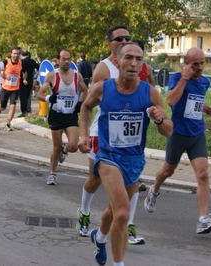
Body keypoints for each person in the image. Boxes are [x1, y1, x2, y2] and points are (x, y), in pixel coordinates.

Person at [79, 42, 172, 266]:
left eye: (139, 59)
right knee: (122, 213)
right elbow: (85, 107)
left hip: (134, 160)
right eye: (128, 58)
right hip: (108, 156)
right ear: (117, 61)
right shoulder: (103, 88)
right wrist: (83, 135)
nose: (134, 63)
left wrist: (159, 119)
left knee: (113, 210)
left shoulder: (149, 92)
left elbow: (168, 130)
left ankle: (100, 237)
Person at [76, 24, 145, 246]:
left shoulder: (137, 65)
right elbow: (89, 104)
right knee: (95, 180)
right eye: (120, 39)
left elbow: (149, 94)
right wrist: (84, 134)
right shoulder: (103, 69)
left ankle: (127, 223)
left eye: (128, 38)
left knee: (130, 182)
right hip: (102, 134)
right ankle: (85, 211)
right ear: (110, 44)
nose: (125, 41)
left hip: (130, 140)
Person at [144, 47, 211, 235]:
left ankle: (202, 219)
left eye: (202, 63)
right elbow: (170, 101)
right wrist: (184, 78)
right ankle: (154, 190)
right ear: (186, 64)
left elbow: (195, 100)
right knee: (168, 171)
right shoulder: (177, 79)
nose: (200, 67)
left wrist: (207, 110)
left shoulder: (204, 82)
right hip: (177, 134)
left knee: (203, 174)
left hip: (197, 135)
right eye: (195, 64)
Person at [37, 49, 88, 185]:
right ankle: (52, 174)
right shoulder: (52, 76)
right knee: (56, 147)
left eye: (69, 59)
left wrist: (80, 103)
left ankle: (64, 151)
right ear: (58, 60)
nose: (67, 62)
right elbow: (39, 94)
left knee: (73, 146)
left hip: (70, 114)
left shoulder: (77, 76)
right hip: (56, 115)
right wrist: (49, 98)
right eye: (64, 59)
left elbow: (85, 91)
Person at [0, 46, 27, 131]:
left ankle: (8, 124)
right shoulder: (6, 62)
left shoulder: (21, 63)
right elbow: (1, 72)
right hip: (5, 88)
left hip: (15, 89)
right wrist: (5, 76)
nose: (16, 55)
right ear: (11, 54)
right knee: (3, 107)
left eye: (17, 53)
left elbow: (25, 72)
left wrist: (24, 79)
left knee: (13, 106)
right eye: (14, 53)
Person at [18, 50, 39, 117]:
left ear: (21, 55)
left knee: (23, 97)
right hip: (30, 81)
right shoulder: (32, 61)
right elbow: (39, 67)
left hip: (23, 81)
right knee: (28, 96)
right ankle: (28, 109)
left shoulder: (21, 62)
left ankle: (24, 111)